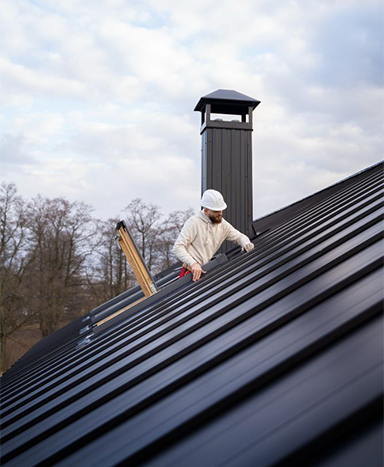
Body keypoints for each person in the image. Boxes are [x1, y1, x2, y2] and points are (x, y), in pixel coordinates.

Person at [172, 189, 254, 282]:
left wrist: (246, 243)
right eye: (216, 211)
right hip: (190, 273)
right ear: (206, 210)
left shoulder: (222, 225)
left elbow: (239, 237)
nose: (219, 213)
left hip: (205, 271)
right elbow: (177, 247)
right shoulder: (194, 222)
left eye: (221, 210)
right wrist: (193, 264)